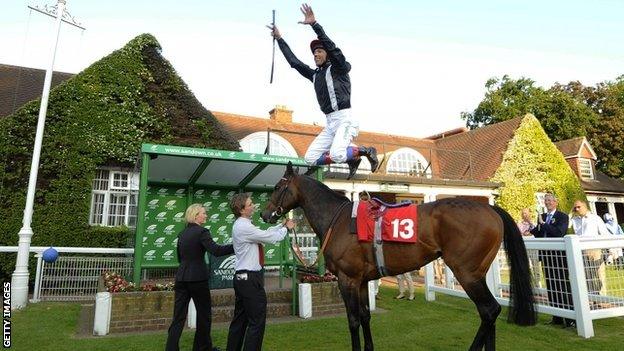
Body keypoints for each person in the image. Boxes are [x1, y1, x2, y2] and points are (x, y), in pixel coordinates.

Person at [267, 3, 379, 180]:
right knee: (310, 159)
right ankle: (352, 157)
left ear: (327, 54)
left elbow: (333, 48)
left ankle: (365, 150)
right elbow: (294, 62)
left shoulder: (339, 68)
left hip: (345, 119)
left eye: (319, 51)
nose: (315, 55)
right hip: (330, 123)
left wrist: (314, 25)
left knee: (336, 155)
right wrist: (280, 39)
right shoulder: (315, 75)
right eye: (314, 53)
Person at [226, 193, 295, 351]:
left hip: (243, 279)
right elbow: (269, 238)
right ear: (242, 210)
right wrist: (286, 229)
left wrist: (281, 226)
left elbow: (265, 232)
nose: (253, 206)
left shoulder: (243, 224)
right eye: (250, 204)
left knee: (240, 321)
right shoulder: (243, 226)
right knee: (257, 322)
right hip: (250, 280)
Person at [166, 204, 235, 351]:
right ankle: (202, 348)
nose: (206, 215)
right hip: (198, 279)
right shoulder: (202, 232)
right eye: (204, 213)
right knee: (204, 315)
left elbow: (180, 257)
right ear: (196, 215)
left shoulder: (182, 234)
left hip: (181, 278)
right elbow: (216, 250)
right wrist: (236, 246)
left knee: (178, 317)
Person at [530, 193, 574, 327]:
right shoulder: (542, 216)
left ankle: (570, 318)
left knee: (562, 285)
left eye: (550, 200)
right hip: (546, 256)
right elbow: (540, 234)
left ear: (556, 202)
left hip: (558, 257)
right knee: (551, 286)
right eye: (546, 200)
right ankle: (557, 317)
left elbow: (559, 233)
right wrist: (533, 229)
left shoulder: (562, 216)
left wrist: (543, 224)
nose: (547, 202)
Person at [570, 200, 610, 295]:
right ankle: (591, 296)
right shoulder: (574, 220)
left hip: (595, 249)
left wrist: (609, 249)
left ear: (585, 206)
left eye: (579, 207)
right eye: (575, 207)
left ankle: (602, 297)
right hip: (581, 250)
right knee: (587, 275)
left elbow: (604, 233)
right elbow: (566, 225)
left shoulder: (595, 218)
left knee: (599, 274)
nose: (577, 209)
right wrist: (571, 213)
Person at [517, 208, 541, 286]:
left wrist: (530, 223)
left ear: (529, 214)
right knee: (526, 265)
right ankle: (528, 282)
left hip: (533, 247)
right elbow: (519, 234)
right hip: (523, 247)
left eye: (526, 213)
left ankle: (538, 282)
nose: (525, 215)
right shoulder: (519, 224)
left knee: (535, 265)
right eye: (523, 213)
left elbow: (535, 231)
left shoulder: (533, 222)